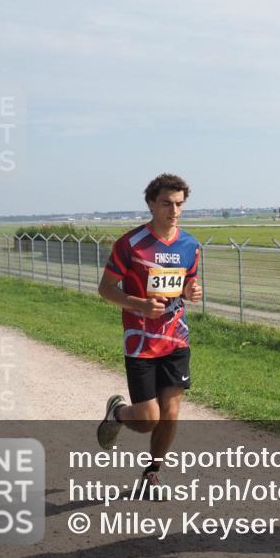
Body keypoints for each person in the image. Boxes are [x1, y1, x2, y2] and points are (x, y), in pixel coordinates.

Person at [96, 173, 203, 499]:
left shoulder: (190, 246)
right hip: (140, 342)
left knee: (170, 414)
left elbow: (187, 285)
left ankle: (152, 473)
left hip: (175, 339)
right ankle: (117, 413)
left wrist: (192, 290)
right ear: (151, 204)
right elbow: (106, 289)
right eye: (167, 204)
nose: (174, 211)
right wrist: (138, 303)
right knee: (147, 420)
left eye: (180, 204)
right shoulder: (129, 245)